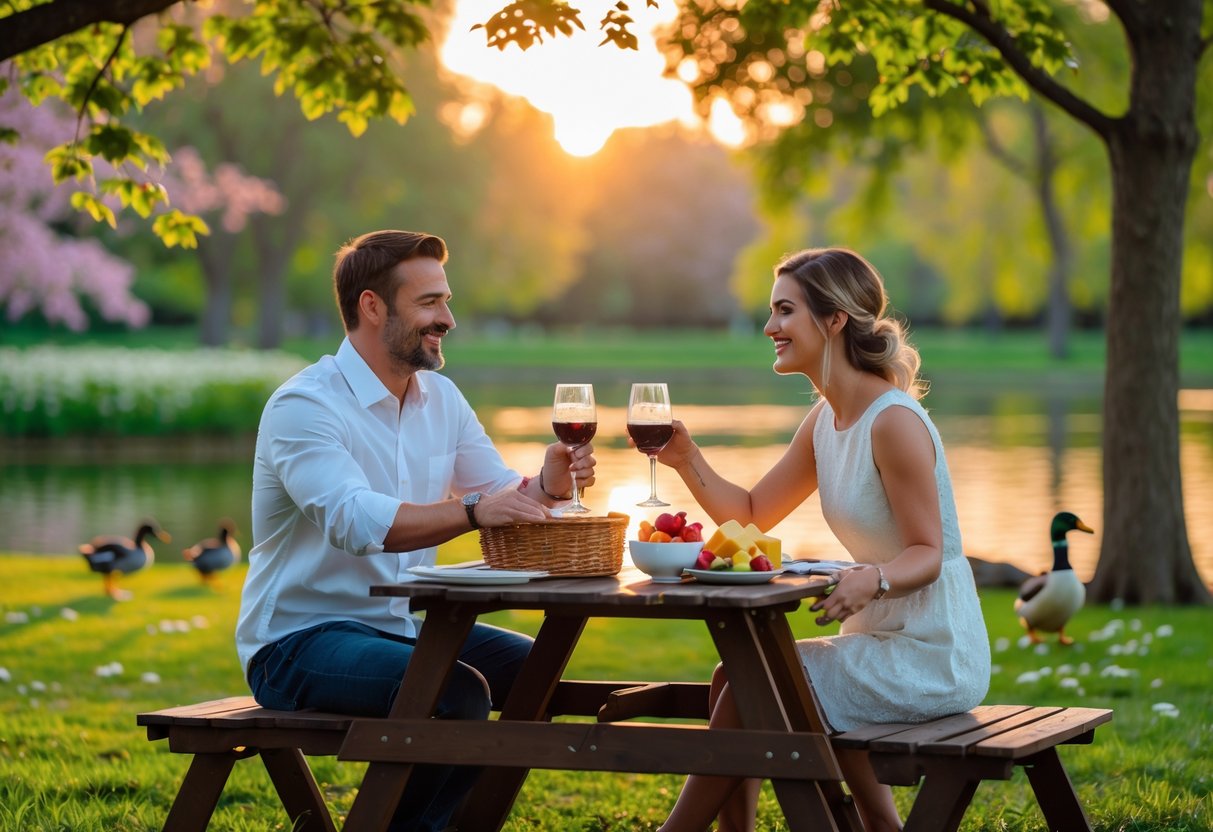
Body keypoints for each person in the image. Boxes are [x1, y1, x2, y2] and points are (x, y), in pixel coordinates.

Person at [236, 229, 595, 832]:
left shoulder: (442, 398)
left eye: (446, 301)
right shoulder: (304, 406)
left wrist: (549, 486)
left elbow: (502, 495)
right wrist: (478, 509)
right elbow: (355, 521)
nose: (447, 318)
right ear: (372, 306)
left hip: (400, 627)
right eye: (430, 303)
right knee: (456, 695)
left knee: (538, 675)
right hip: (298, 641)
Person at [654, 247, 990, 832]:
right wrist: (687, 459)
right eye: (771, 312)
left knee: (753, 681)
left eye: (785, 311)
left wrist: (873, 578)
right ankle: (866, 823)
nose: (770, 327)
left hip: (934, 654)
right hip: (878, 641)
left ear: (834, 319)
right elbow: (754, 514)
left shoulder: (893, 422)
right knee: (730, 673)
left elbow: (929, 553)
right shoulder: (825, 422)